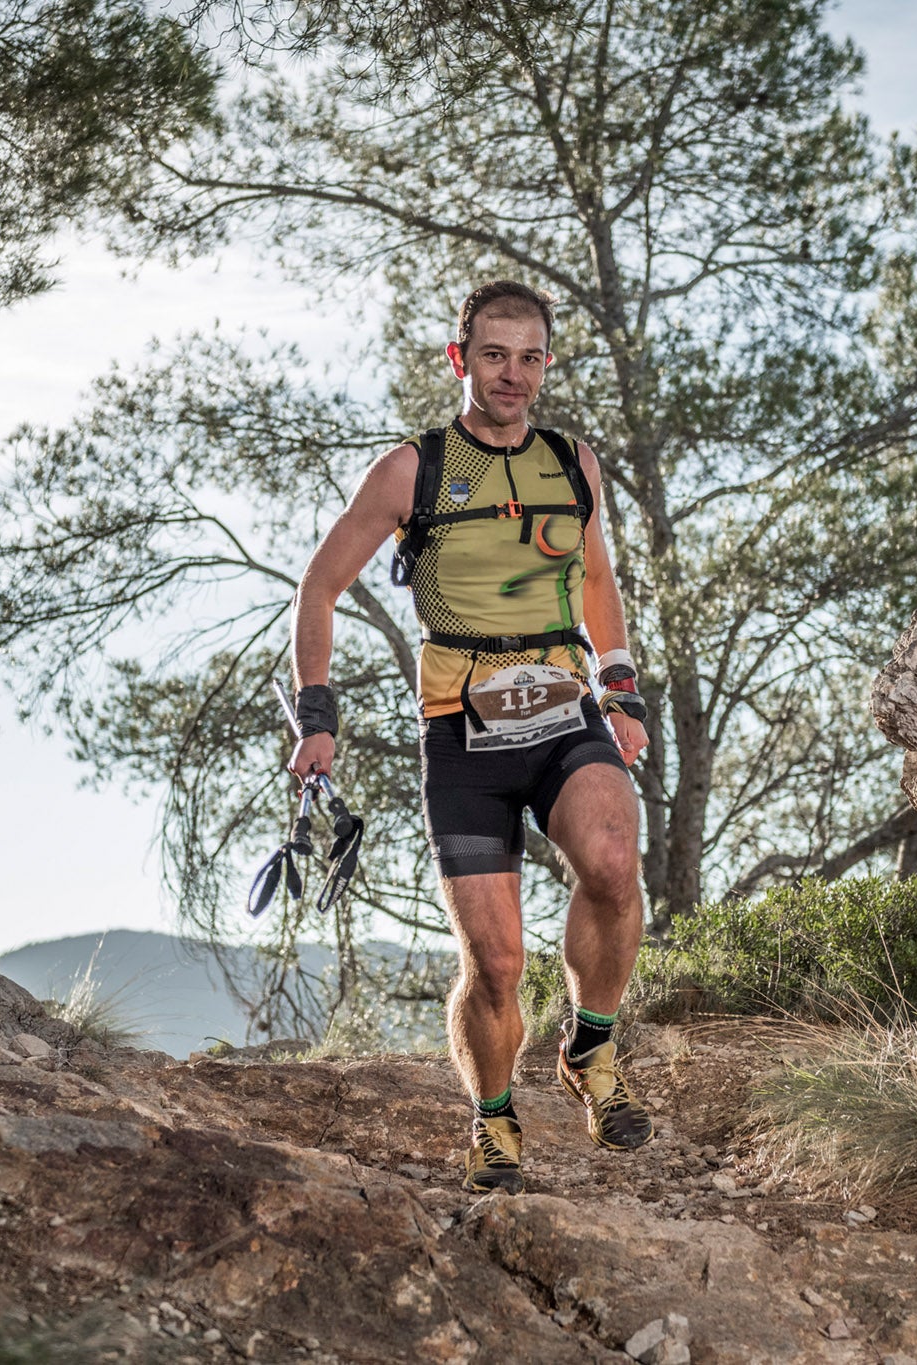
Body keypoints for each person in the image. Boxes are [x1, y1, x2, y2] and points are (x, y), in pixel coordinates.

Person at [285, 280, 654, 1193]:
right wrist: (318, 713)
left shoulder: (576, 464)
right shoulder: (413, 469)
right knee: (494, 963)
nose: (514, 375)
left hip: (563, 704)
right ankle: (493, 1121)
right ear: (461, 360)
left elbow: (597, 579)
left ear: (547, 365)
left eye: (531, 357)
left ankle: (590, 1050)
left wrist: (620, 685)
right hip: (461, 729)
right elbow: (319, 587)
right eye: (496, 355)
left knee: (613, 858)